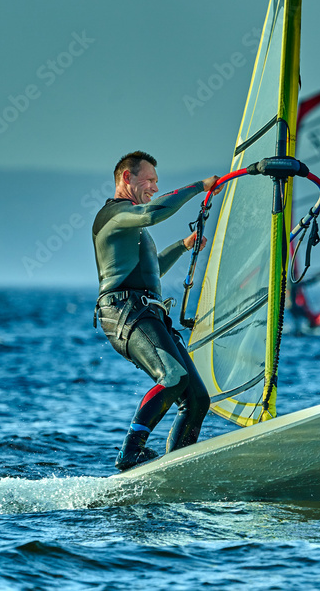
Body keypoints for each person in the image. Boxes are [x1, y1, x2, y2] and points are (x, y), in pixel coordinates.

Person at [92, 151, 222, 471]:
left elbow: (153, 271)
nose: (153, 186)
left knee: (197, 401)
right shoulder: (114, 215)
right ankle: (131, 451)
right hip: (124, 312)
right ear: (126, 178)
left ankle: (174, 467)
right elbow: (153, 213)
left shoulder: (133, 227)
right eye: (148, 180)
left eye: (156, 182)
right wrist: (198, 186)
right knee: (173, 376)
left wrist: (184, 245)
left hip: (147, 312)